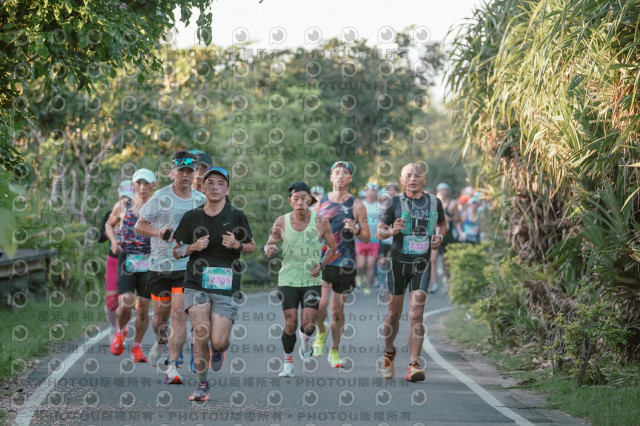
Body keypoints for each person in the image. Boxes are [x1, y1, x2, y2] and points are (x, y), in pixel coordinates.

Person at [173, 166, 255, 401]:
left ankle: (218, 351)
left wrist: (237, 245)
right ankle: (202, 384)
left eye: (220, 183)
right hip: (195, 282)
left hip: (225, 285)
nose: (215, 187)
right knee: (201, 333)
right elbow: (176, 251)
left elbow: (251, 246)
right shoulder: (192, 217)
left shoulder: (236, 215)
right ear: (203, 187)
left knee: (218, 342)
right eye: (210, 183)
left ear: (227, 190)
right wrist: (193, 247)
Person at [135, 151, 206, 384]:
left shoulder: (200, 200)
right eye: (181, 171)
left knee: (178, 314)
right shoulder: (160, 196)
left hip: (186, 265)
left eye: (189, 171)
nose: (185, 175)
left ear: (194, 173)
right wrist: (158, 232)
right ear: (173, 172)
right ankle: (160, 340)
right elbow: (139, 226)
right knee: (160, 319)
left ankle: (172, 367)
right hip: (160, 265)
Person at [376, 163, 446, 382]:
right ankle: (389, 353)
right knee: (393, 315)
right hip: (397, 264)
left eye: (417, 175)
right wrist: (391, 231)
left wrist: (439, 237)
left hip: (421, 265)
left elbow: (442, 225)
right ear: (402, 180)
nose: (413, 178)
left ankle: (414, 364)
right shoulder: (394, 202)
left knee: (416, 313)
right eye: (408, 175)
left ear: (423, 178)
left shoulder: (434, 202)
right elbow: (379, 232)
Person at [264, 182, 337, 377]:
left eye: (304, 198)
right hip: (288, 279)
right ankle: (288, 363)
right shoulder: (281, 221)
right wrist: (270, 249)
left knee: (308, 323)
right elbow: (269, 243)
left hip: (311, 280)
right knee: (290, 323)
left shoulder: (321, 221)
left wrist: (322, 264)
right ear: (290, 201)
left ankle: (306, 339)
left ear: (310, 200)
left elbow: (332, 248)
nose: (300, 202)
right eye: (296, 199)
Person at [312, 161, 370, 368]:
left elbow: (366, 236)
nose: (340, 176)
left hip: (346, 263)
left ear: (350, 178)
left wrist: (356, 230)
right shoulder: (320, 202)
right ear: (331, 177)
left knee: (337, 311)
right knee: (320, 306)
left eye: (345, 173)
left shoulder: (357, 205)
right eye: (336, 172)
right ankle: (321, 332)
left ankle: (334, 350)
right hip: (324, 260)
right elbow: (309, 230)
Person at [106, 169, 156, 362]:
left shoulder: (157, 206)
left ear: (153, 185)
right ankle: (121, 331)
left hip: (150, 261)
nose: (142, 187)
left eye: (146, 184)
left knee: (143, 307)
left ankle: (137, 346)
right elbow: (109, 224)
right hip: (127, 258)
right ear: (134, 185)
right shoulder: (123, 205)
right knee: (126, 301)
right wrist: (113, 241)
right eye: (139, 183)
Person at [98, 180, 134, 340]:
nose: (126, 200)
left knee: (127, 300)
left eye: (129, 198)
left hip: (132, 260)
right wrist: (110, 232)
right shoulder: (110, 214)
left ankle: (122, 328)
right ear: (119, 197)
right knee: (112, 302)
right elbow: (100, 238)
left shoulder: (139, 213)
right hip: (113, 260)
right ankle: (114, 327)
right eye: (123, 197)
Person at [429, 183, 462, 293]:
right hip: (435, 234)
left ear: (448, 191)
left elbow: (457, 219)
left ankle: (446, 283)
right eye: (441, 190)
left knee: (446, 260)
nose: (443, 192)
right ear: (438, 191)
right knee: (433, 258)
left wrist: (449, 218)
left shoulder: (452, 204)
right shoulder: (434, 203)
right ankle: (434, 284)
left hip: (447, 235)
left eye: (445, 190)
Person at [356, 182, 381, 295]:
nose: (371, 193)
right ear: (366, 192)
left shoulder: (380, 206)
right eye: (369, 190)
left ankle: (367, 284)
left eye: (374, 191)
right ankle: (360, 276)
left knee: (370, 264)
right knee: (361, 264)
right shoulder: (360, 205)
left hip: (374, 240)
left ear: (377, 193)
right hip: (361, 239)